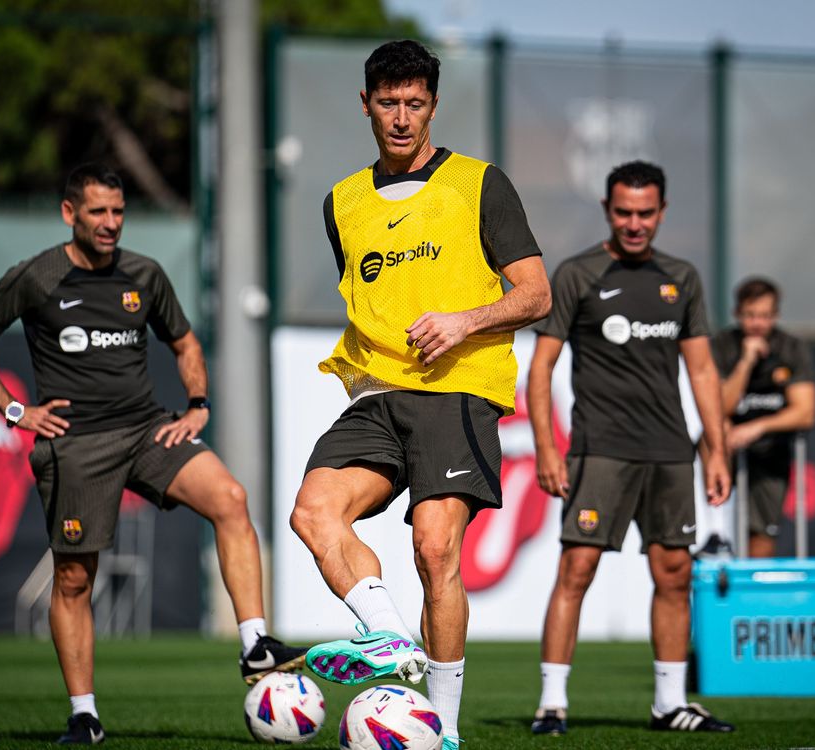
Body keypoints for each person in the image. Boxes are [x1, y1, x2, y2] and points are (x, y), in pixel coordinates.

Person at [0, 163, 305, 745]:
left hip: (147, 430)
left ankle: (256, 646)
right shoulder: (36, 277)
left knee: (230, 499)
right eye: (97, 212)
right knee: (72, 579)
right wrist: (16, 412)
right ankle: (84, 716)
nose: (111, 223)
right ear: (70, 214)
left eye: (118, 212)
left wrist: (197, 404)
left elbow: (184, 341)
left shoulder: (145, 273)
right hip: (78, 445)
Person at [287, 40, 550, 750]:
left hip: (457, 390)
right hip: (375, 394)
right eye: (388, 103)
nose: (401, 118)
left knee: (435, 550)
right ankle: (391, 638)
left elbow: (536, 293)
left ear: (433, 105)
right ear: (366, 104)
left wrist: (464, 319)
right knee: (313, 514)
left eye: (415, 103)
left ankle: (445, 730)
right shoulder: (341, 201)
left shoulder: (479, 183)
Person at [527, 161, 734, 735]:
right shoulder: (577, 273)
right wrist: (548, 448)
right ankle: (552, 704)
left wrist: (716, 451)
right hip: (601, 451)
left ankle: (670, 704)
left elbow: (702, 371)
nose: (635, 223)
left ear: (662, 212)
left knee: (674, 574)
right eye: (624, 212)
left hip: (670, 452)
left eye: (646, 213)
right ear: (606, 209)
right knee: (578, 568)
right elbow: (540, 369)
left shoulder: (682, 277)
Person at [710, 278, 815, 558]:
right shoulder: (722, 346)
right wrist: (746, 362)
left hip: (770, 453)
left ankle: (752, 596)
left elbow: (805, 413)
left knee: (762, 534)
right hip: (724, 451)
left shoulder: (790, 348)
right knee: (718, 533)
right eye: (750, 315)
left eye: (764, 316)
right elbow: (719, 405)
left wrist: (757, 427)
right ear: (737, 313)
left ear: (776, 316)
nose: (757, 324)